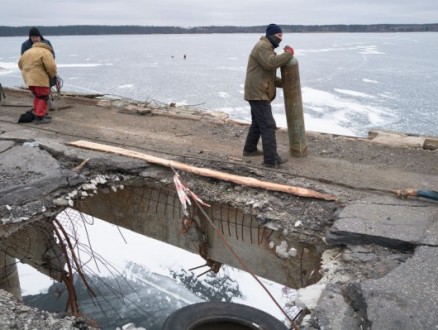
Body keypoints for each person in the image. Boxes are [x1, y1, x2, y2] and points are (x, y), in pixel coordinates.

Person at [242, 23, 295, 167]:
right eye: (279, 36)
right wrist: (288, 54)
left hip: (256, 92)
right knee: (268, 125)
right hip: (258, 93)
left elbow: (270, 77)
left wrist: (289, 83)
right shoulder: (262, 46)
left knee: (258, 124)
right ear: (271, 35)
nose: (281, 39)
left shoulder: (267, 48)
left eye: (282, 36)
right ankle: (271, 160)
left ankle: (250, 149)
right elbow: (270, 64)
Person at [18, 42, 57, 124]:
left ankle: (38, 113)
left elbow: (20, 64)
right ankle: (39, 117)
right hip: (39, 78)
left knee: (37, 96)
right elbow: (51, 67)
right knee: (43, 96)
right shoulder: (46, 52)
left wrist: (28, 73)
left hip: (28, 79)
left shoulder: (28, 51)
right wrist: (52, 75)